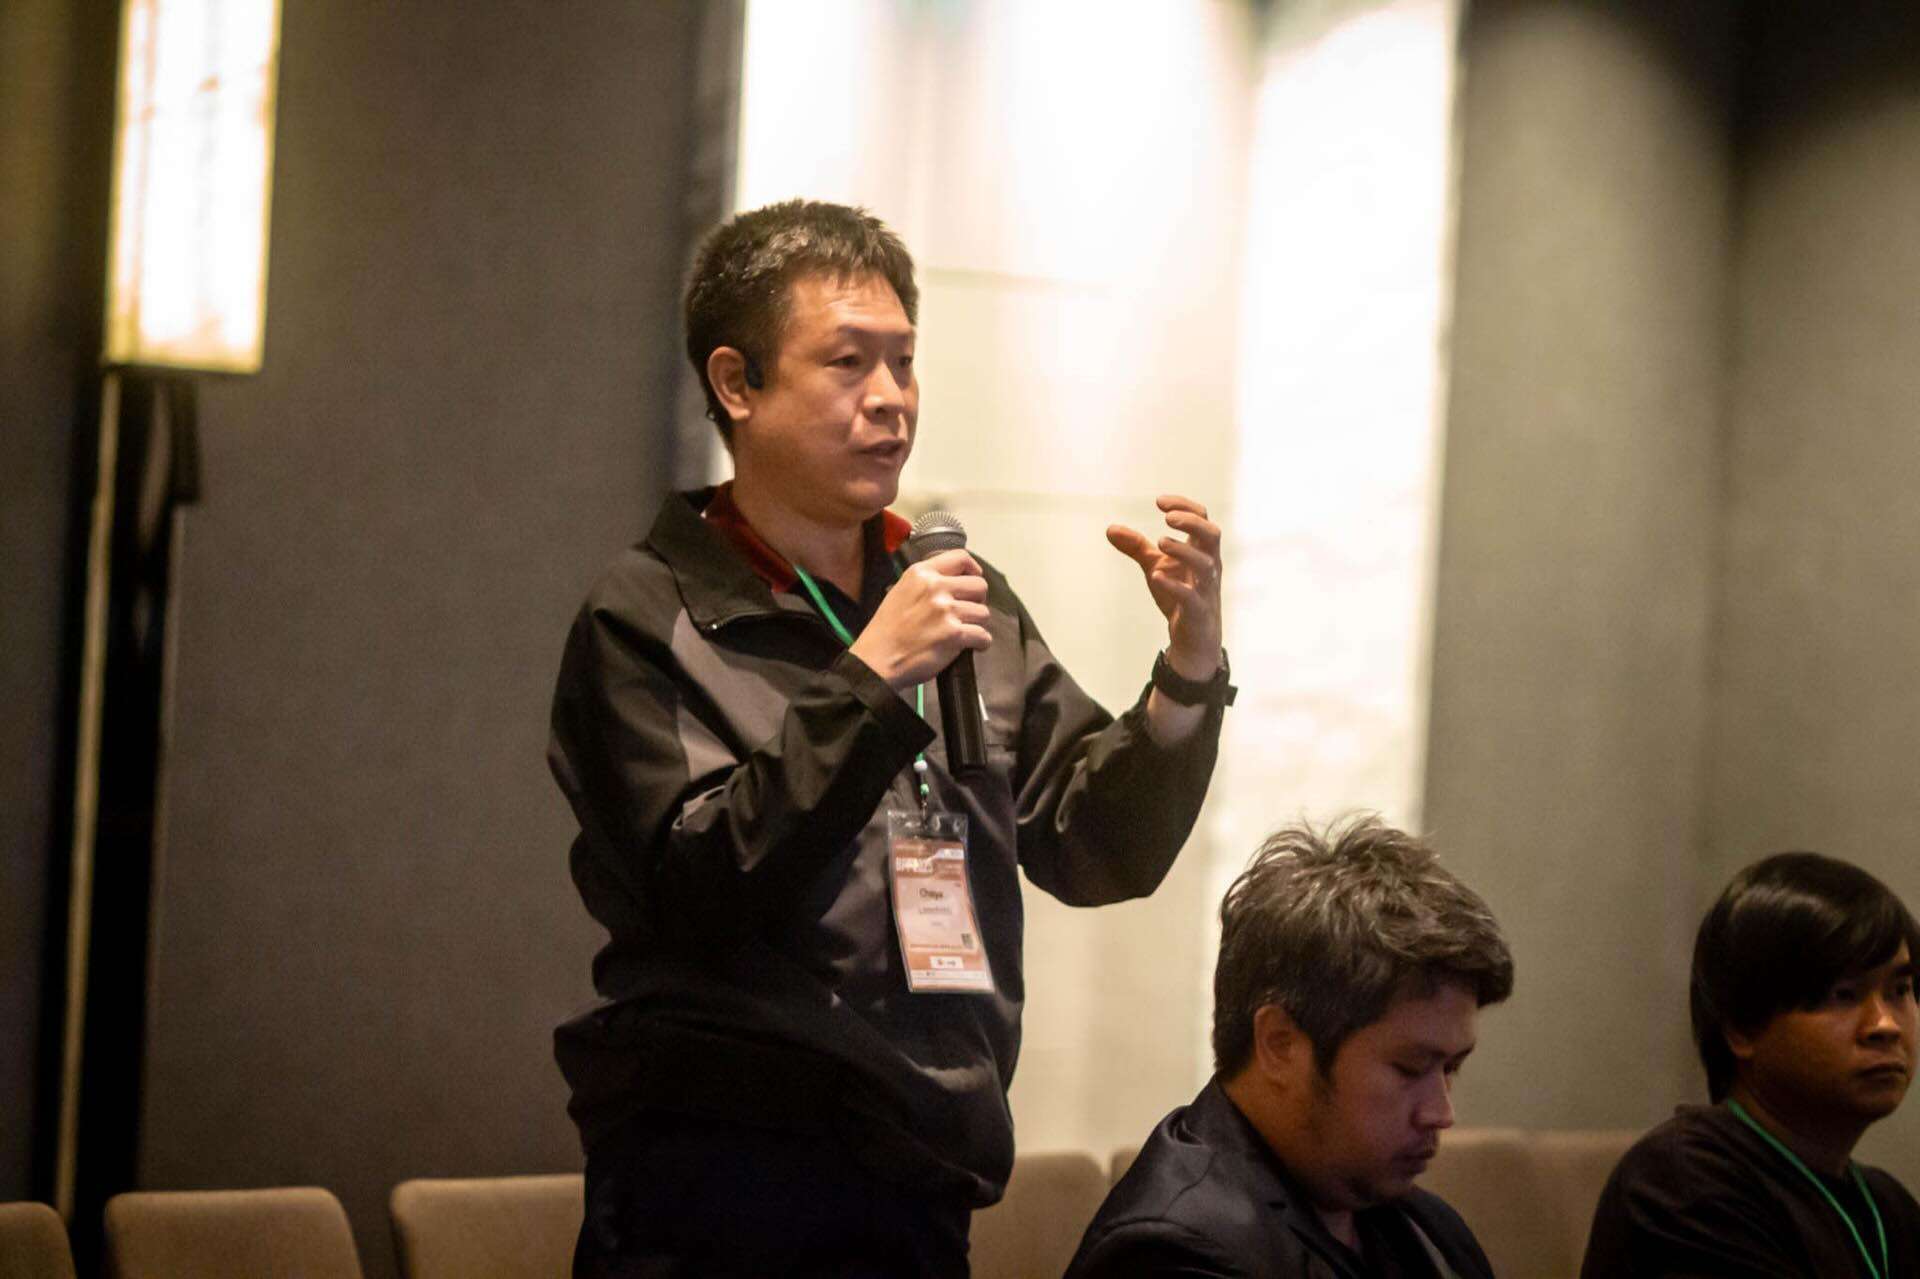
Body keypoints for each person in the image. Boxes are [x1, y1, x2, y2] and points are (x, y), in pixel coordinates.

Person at [548, 199, 1234, 1278]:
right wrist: (868, 680)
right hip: (715, 1196)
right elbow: (698, 886)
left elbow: (1096, 845)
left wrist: (1188, 675)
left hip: (919, 1181)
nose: (891, 398)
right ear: (737, 383)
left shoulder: (953, 592)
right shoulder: (647, 616)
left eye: (905, 362)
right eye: (848, 362)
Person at [1066, 816, 1513, 1278]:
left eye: (1451, 1068)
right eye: (1410, 1068)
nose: (1441, 1113)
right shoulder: (1171, 1255)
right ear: (1280, 1044)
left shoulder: (1423, 1228)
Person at [1580, 851, 1920, 1278]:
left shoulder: (1887, 1207)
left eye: (1900, 990)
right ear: (1742, 1026)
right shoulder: (1682, 1184)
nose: (1885, 1025)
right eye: (1843, 994)